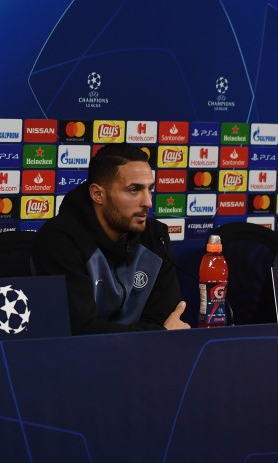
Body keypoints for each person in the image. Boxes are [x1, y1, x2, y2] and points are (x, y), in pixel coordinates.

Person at [32, 143, 190, 335]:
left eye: (150, 189)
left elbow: (167, 318)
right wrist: (158, 332)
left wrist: (158, 331)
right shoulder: (60, 240)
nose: (148, 202)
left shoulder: (155, 236)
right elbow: (80, 332)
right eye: (134, 190)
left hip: (144, 353)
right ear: (98, 194)